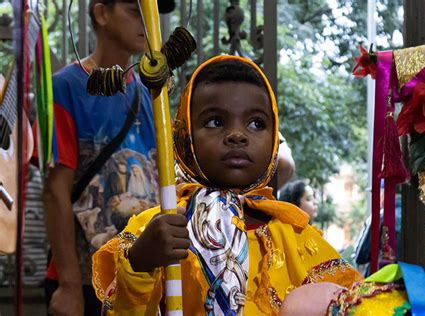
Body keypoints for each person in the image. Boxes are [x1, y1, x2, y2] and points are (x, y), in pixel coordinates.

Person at [92, 55, 362, 315]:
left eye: (256, 123)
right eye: (215, 122)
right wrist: (140, 264)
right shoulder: (161, 226)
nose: (237, 135)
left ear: (274, 138)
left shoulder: (296, 235)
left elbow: (350, 303)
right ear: (185, 136)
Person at [38, 0, 160, 314]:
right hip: (85, 280)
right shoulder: (65, 88)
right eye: (136, 12)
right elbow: (55, 190)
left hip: (139, 273)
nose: (147, 24)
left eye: (151, 15)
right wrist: (68, 284)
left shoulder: (149, 93)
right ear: (101, 13)